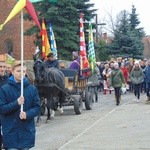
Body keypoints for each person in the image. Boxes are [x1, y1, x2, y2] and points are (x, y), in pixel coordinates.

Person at [0, 60, 40, 150]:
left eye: (23, 71)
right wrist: (16, 103)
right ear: (12, 71)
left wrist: (27, 114)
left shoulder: (32, 89)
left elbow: (37, 108)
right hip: (10, 134)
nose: (21, 74)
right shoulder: (4, 89)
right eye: (18, 71)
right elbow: (2, 109)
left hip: (26, 132)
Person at [0, 60, 8, 150]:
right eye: (0, 67)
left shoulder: (9, 80)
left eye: (3, 67)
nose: (2, 69)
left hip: (6, 110)